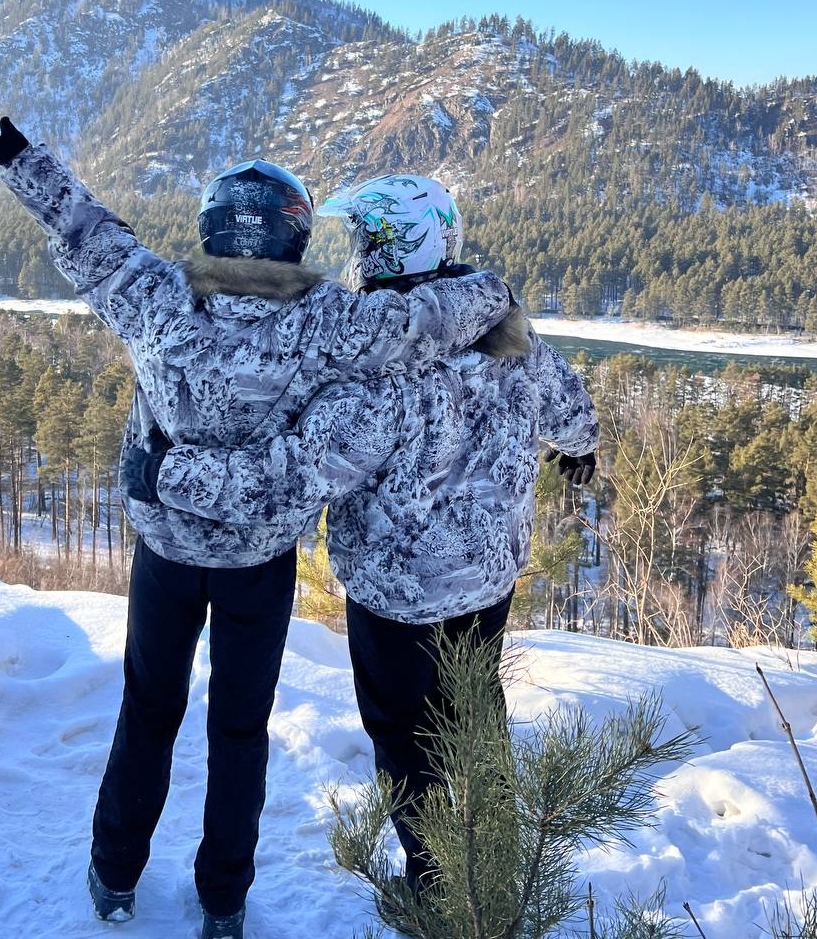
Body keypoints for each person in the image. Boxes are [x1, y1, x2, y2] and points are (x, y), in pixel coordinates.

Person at [0, 120, 515, 939]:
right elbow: (427, 316)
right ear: (294, 233)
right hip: (259, 564)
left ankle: (114, 874)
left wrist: (24, 163)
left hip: (166, 555)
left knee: (148, 708)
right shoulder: (330, 321)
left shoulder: (155, 296)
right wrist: (492, 290)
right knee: (239, 730)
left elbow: (84, 230)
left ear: (213, 224)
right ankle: (223, 901)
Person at [122, 174, 599, 918]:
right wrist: (580, 446)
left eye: (364, 240)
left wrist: (166, 472)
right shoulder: (513, 338)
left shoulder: (374, 374)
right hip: (486, 580)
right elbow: (569, 408)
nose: (353, 255)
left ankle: (440, 894)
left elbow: (283, 480)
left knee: (407, 743)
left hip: (397, 594)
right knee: (474, 722)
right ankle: (493, 874)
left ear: (386, 247)